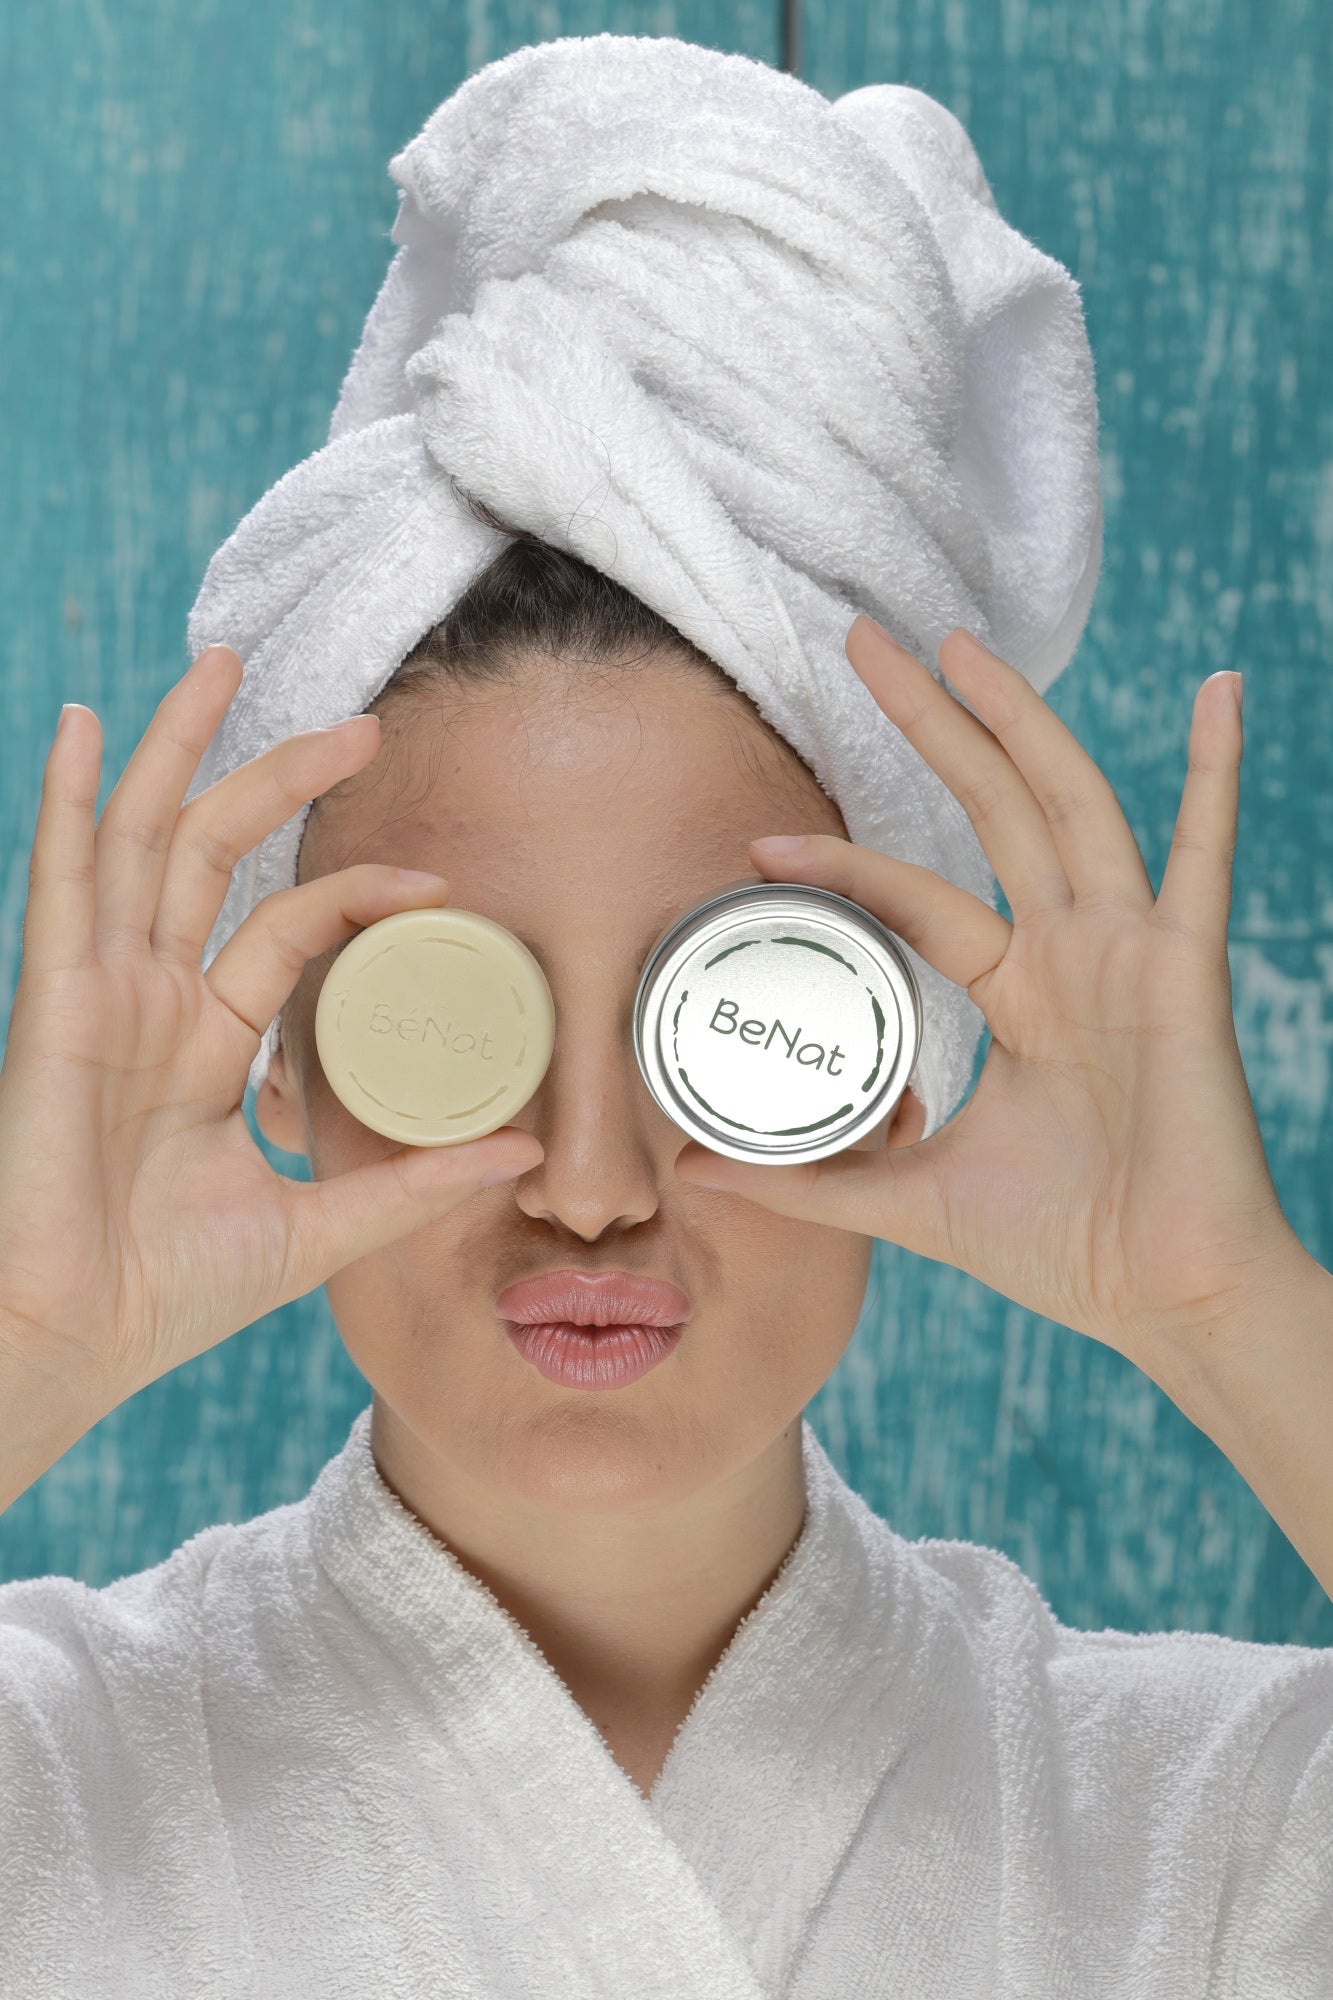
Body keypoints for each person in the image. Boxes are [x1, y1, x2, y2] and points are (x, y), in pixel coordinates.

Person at [2, 32, 1331, 2000]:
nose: (592, 1183)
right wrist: (23, 1338)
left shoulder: (1206, 1828)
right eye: (449, 1018)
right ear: (281, 1052)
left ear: (894, 1050)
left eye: (730, 1014)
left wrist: (1230, 1308)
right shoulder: (46, 1778)